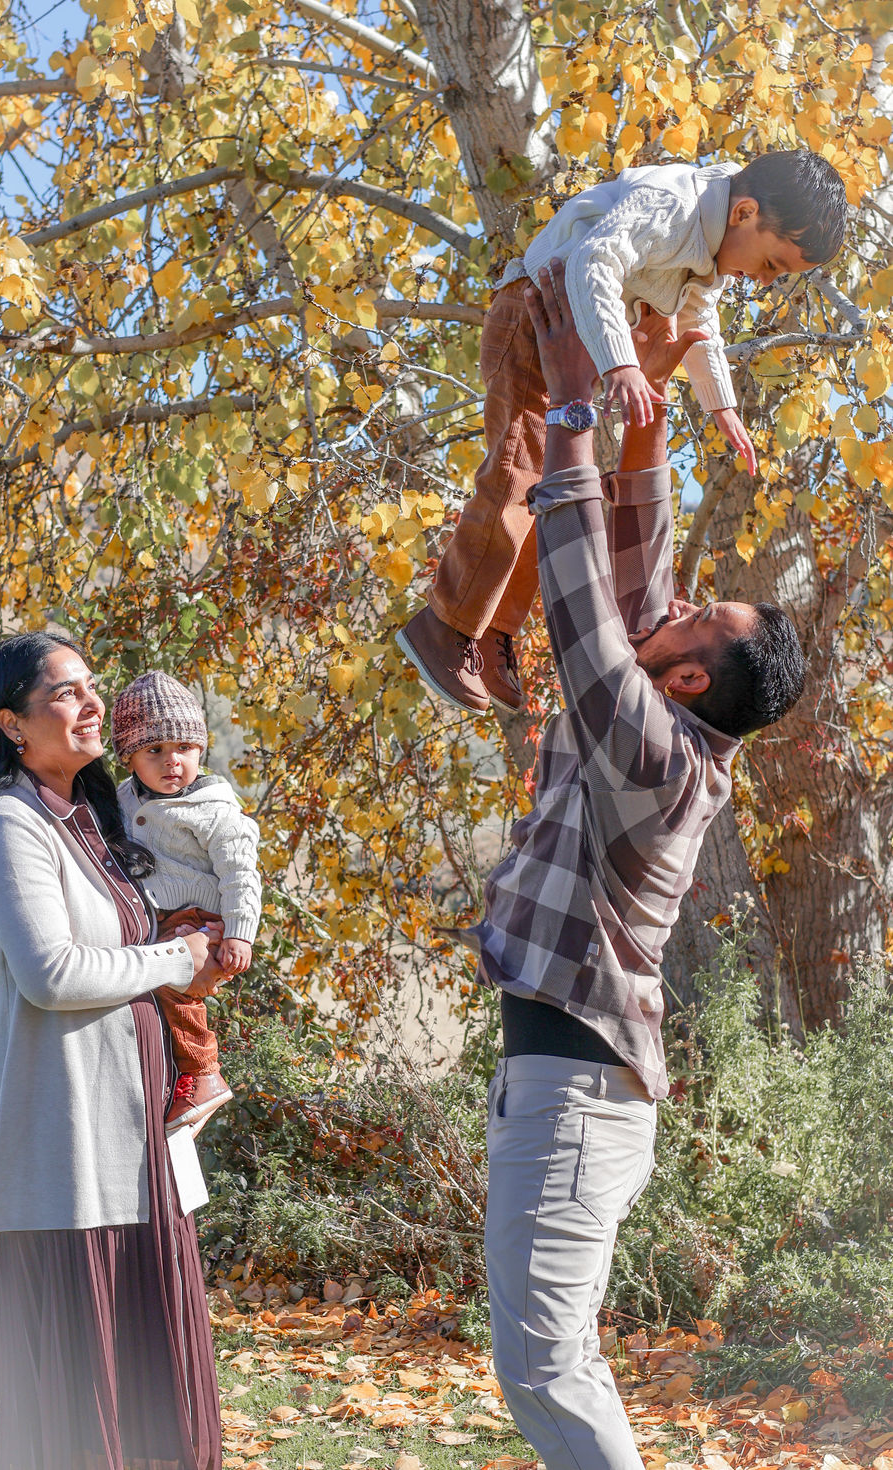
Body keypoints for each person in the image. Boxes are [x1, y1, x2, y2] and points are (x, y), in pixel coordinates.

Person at [469, 268, 806, 1470]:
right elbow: (633, 591)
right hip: (558, 1086)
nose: (669, 607)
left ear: (689, 681)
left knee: (549, 1368)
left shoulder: (656, 756)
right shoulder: (668, 723)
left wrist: (571, 421)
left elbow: (582, 615)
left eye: (696, 617)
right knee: (547, 1363)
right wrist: (643, 438)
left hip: (575, 1096)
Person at [396, 150, 845, 715]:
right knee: (516, 477)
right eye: (772, 265)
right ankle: (446, 624)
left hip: (570, 337)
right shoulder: (674, 204)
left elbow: (697, 323)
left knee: (547, 501)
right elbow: (593, 260)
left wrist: (720, 405)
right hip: (535, 314)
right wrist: (621, 366)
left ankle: (491, 633)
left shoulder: (709, 254)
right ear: (745, 213)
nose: (762, 280)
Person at [0, 632, 225, 1470]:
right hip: (71, 1153)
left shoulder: (94, 822)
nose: (94, 703)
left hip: (140, 1143)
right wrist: (180, 960)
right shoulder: (6, 825)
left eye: (91, 686)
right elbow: (52, 974)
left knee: (154, 1385)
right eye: (66, 693)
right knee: (86, 1403)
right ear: (12, 725)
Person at [111, 669, 262, 1135]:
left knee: (175, 988)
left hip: (199, 916)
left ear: (201, 750)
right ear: (130, 756)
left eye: (184, 748)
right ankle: (177, 1080)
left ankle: (203, 1074)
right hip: (157, 915)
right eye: (154, 750)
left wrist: (238, 932)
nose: (171, 761)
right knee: (147, 995)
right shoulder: (122, 798)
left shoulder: (214, 809)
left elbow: (242, 873)